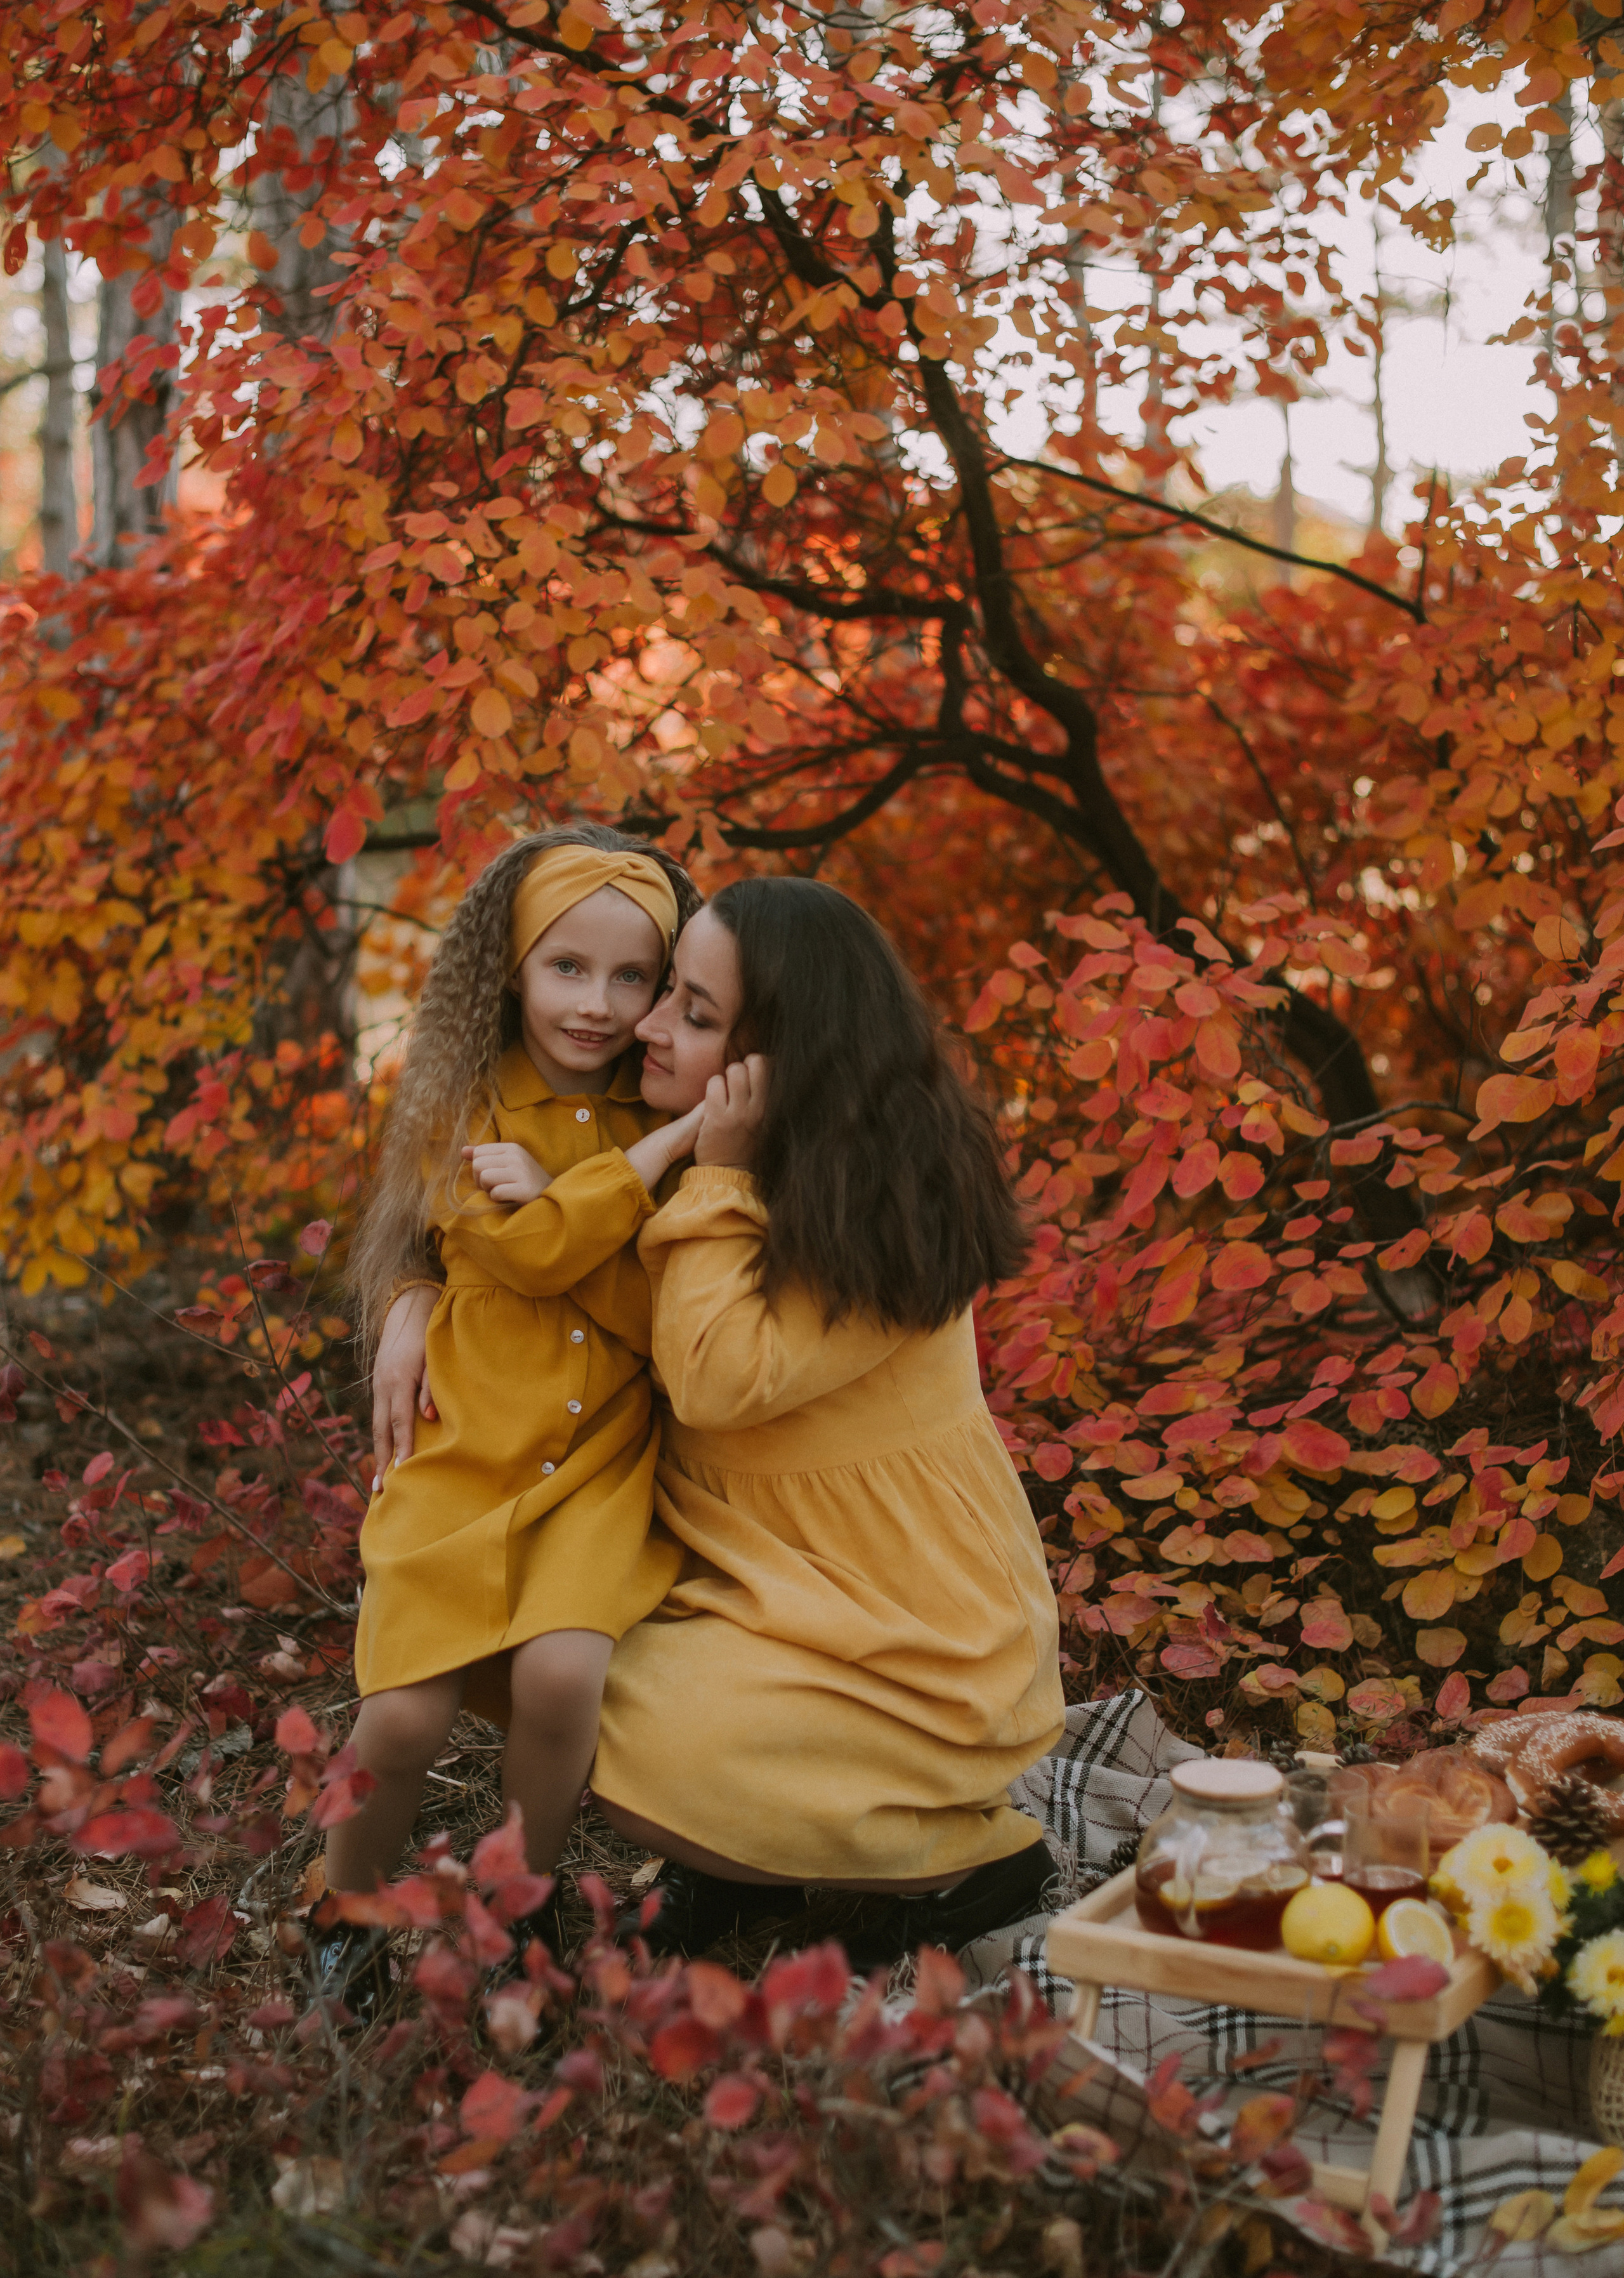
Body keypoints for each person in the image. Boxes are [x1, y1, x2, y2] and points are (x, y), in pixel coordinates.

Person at [592, 878, 1066, 1965]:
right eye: (666, 991)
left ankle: (972, 1863)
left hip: (911, 1641)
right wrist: (411, 1302)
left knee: (623, 1741)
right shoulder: (694, 1134)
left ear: (782, 1061)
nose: (647, 1026)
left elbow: (714, 1378)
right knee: (552, 1663)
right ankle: (743, 1856)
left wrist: (718, 1177)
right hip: (770, 1588)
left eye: (694, 1014)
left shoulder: (882, 1213)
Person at [313, 823, 703, 2015]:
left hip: (595, 1463)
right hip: (465, 1450)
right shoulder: (466, 1099)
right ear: (514, 967)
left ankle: (516, 1906)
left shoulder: (664, 1095)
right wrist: (628, 1179)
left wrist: (623, 1175)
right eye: (566, 967)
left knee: (565, 1675)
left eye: (632, 975)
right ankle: (344, 1908)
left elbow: (660, 1313)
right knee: (403, 1712)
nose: (597, 1004)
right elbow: (529, 1259)